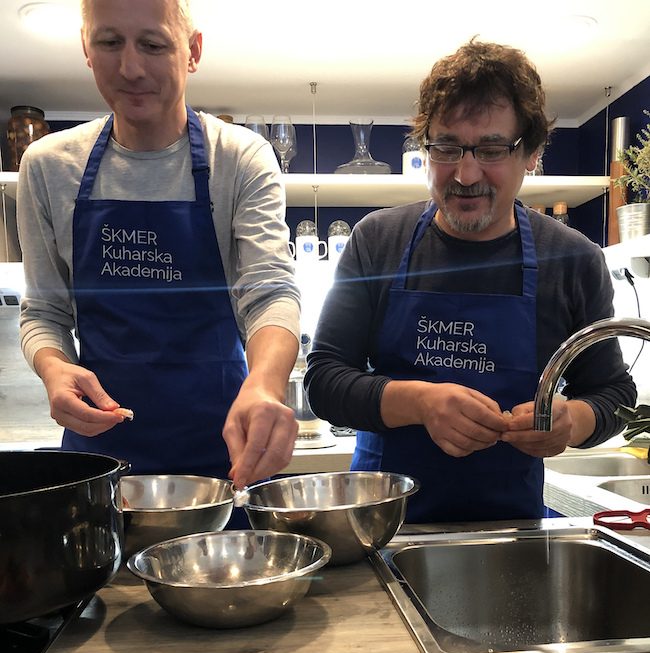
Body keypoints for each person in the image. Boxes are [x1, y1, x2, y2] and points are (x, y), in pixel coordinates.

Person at [305, 38, 636, 524]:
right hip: (384, 531)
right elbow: (324, 381)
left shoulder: (572, 259)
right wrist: (420, 402)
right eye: (446, 147)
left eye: (491, 149)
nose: (464, 174)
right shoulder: (377, 239)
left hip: (510, 533)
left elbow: (613, 393)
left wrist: (573, 421)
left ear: (531, 153)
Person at [18, 0, 300, 494]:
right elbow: (44, 311)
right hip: (98, 462)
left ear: (192, 52)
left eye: (153, 44)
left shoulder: (240, 158)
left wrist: (265, 385)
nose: (130, 68)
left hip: (226, 452)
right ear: (86, 48)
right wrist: (54, 368)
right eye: (110, 42)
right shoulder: (47, 166)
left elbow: (270, 293)